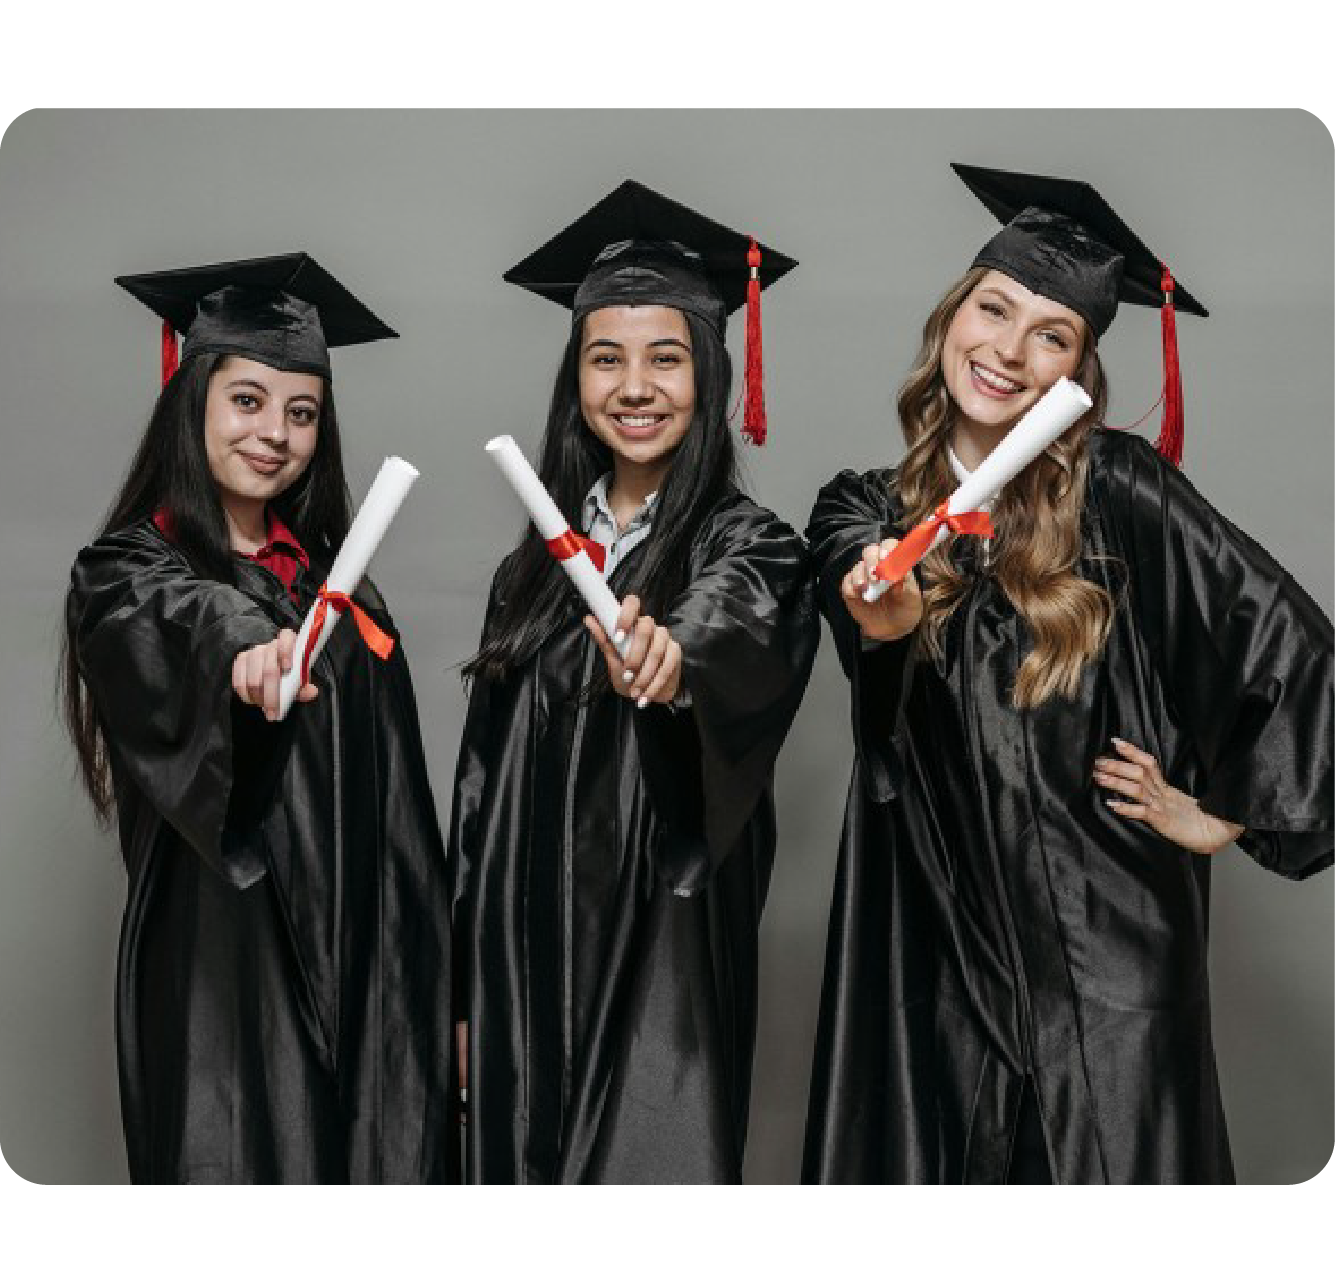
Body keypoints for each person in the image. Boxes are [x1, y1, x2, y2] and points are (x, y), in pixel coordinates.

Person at [802, 165, 1335, 1184]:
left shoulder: (1122, 491)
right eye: (993, 308)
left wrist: (1223, 811)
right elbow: (853, 602)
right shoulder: (861, 510)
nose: (1006, 350)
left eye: (1049, 333)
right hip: (934, 945)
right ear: (950, 316)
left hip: (1108, 951)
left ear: (1076, 372)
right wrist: (885, 616)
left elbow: (1285, 645)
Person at [448, 181, 818, 1183]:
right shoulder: (525, 577)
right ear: (576, 383)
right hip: (521, 963)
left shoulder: (750, 547)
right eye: (606, 358)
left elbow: (733, 621)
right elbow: (478, 792)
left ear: (709, 373)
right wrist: (462, 997)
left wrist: (672, 655)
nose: (635, 385)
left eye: (667, 356)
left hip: (665, 959)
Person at [61, 254, 457, 1183]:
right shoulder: (128, 570)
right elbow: (178, 615)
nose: (274, 433)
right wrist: (245, 643)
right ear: (190, 396)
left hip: (372, 968)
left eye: (301, 411)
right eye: (246, 400)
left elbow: (402, 805)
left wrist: (440, 988)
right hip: (223, 970)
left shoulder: (344, 595)